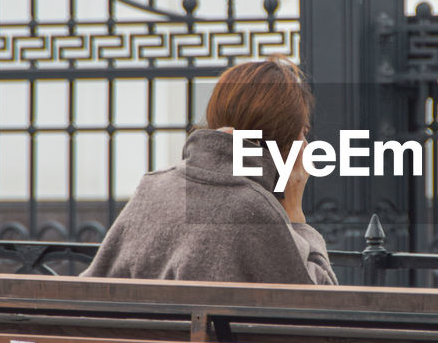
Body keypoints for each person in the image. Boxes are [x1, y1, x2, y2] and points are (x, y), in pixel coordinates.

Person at [85, 58, 337, 285]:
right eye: (303, 132)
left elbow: (94, 286)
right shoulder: (253, 206)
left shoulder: (152, 186)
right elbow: (320, 304)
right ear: (283, 139)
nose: (307, 146)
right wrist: (295, 216)